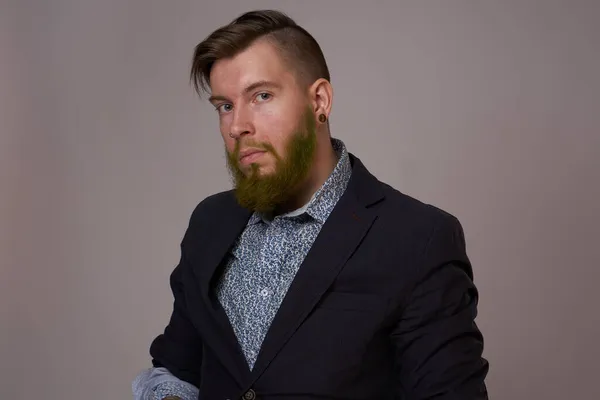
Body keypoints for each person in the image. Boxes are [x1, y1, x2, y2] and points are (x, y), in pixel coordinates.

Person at [132, 9, 489, 400]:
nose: (237, 127)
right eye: (225, 106)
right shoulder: (208, 222)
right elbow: (175, 368)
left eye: (261, 96)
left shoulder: (418, 238)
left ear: (319, 100)